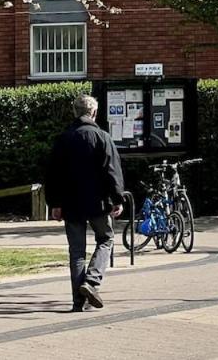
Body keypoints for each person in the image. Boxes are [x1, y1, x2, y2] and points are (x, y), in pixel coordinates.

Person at [44, 94, 125, 312]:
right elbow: (112, 170)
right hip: (98, 202)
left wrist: (55, 203)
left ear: (74, 112)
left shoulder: (64, 138)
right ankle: (92, 281)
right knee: (106, 239)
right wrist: (117, 198)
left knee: (77, 251)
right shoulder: (102, 137)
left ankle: (78, 302)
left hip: (70, 203)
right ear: (94, 113)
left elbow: (52, 174)